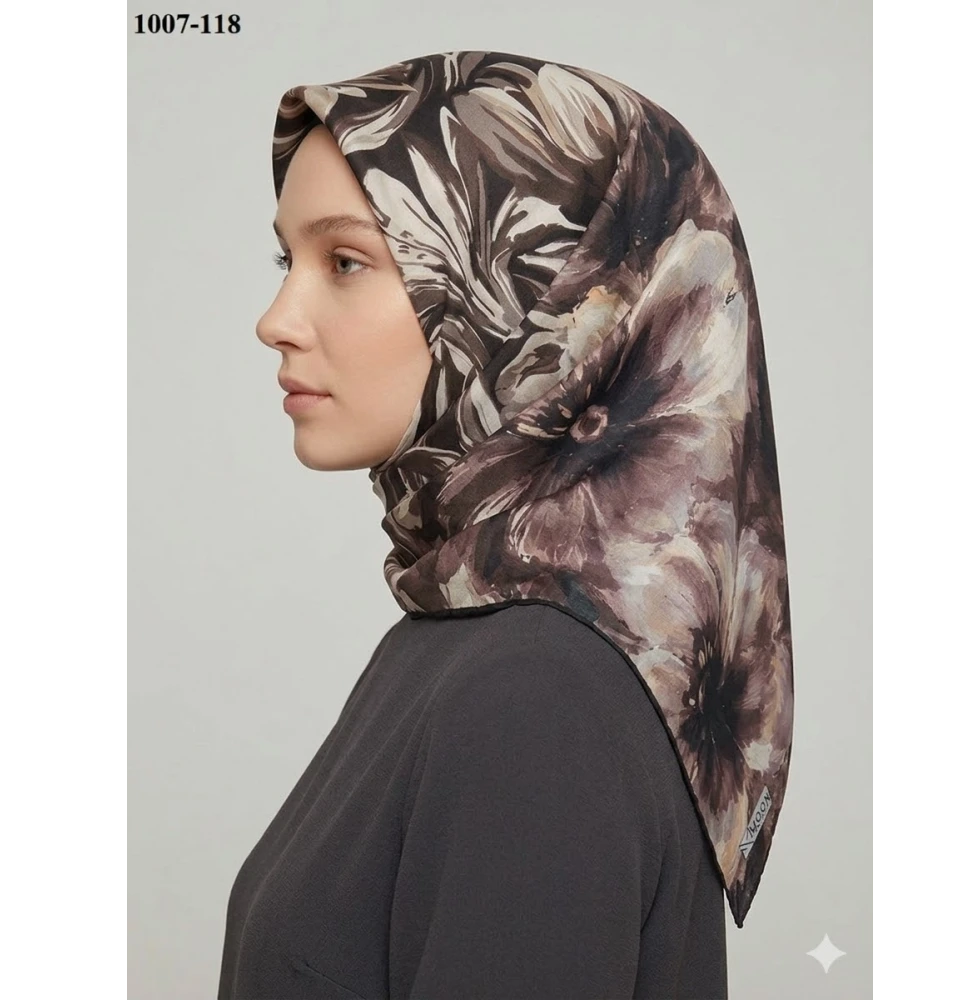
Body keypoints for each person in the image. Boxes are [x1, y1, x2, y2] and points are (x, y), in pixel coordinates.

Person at [217, 49, 793, 1000]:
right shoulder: (460, 636)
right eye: (290, 260)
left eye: (346, 261)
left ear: (539, 302)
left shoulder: (537, 697)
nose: (276, 319)